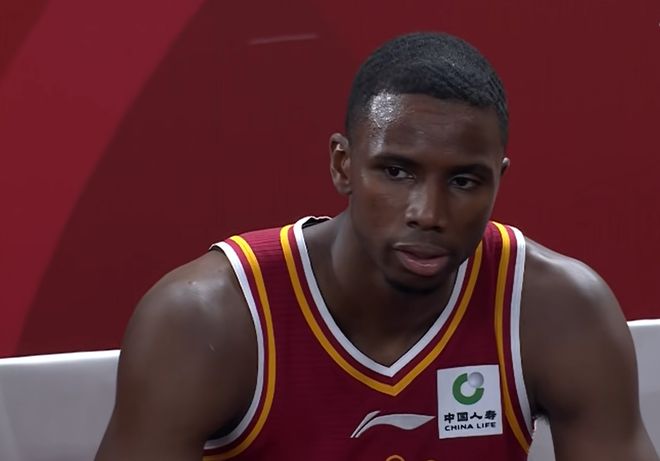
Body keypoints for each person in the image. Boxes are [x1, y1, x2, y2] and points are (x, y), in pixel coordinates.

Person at [95, 32, 658, 461]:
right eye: (396, 171)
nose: (428, 213)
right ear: (343, 165)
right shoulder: (206, 318)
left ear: (499, 181)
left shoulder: (558, 310)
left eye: (464, 181)